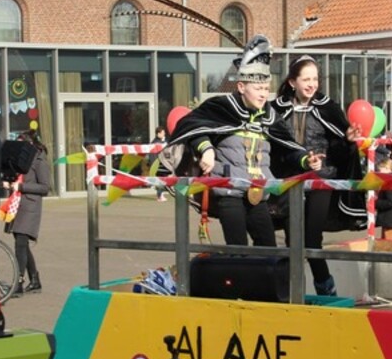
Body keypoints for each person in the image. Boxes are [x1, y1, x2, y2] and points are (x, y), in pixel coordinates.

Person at [164, 35, 321, 247]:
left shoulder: (270, 117)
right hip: (228, 192)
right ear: (241, 87)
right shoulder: (222, 108)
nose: (263, 94)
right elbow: (193, 126)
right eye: (258, 89)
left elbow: (287, 147)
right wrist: (206, 149)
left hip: (258, 193)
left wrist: (306, 160)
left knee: (269, 248)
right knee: (238, 248)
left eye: (266, 89)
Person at [270, 54, 359, 295]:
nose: (312, 84)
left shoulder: (328, 108)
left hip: (321, 180)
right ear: (292, 82)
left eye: (315, 79)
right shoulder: (276, 110)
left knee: (311, 239)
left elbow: (340, 151)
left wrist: (348, 141)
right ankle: (290, 293)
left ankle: (326, 289)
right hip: (290, 182)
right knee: (292, 241)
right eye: (306, 79)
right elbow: (275, 148)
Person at [4, 131, 51, 294]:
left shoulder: (39, 160)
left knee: (20, 244)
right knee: (22, 244)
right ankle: (35, 280)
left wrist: (21, 187)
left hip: (30, 206)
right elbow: (17, 179)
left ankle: (18, 283)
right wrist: (9, 183)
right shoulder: (20, 160)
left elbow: (45, 187)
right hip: (17, 205)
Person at [149, 126, 168, 202]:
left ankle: (161, 194)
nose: (164, 134)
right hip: (158, 164)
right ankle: (160, 195)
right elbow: (153, 156)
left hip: (163, 163)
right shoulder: (155, 143)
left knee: (163, 179)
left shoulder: (162, 141)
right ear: (158, 134)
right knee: (160, 179)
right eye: (163, 133)